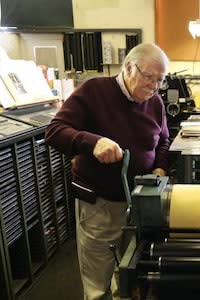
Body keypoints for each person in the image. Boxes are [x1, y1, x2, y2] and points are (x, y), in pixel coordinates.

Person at [45, 43, 170, 300]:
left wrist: (159, 166)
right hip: (101, 205)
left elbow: (164, 141)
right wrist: (92, 141)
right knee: (97, 280)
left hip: (140, 202)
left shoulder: (155, 101)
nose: (155, 86)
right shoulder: (94, 91)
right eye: (149, 77)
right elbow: (55, 131)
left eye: (160, 80)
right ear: (128, 67)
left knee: (128, 273)